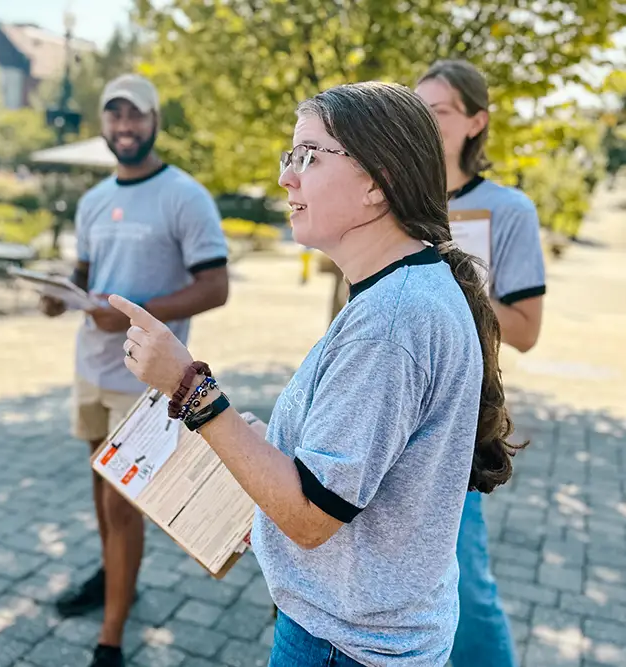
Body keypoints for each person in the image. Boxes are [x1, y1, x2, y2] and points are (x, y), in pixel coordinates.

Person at [107, 81, 523, 666]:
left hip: (342, 647)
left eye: (308, 156)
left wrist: (189, 387)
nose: (286, 178)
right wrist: (262, 444)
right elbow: (350, 470)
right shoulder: (405, 293)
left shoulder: (391, 322)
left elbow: (310, 516)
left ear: (377, 182)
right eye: (290, 156)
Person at [39, 73, 230, 667]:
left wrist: (136, 314)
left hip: (146, 381)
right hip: (92, 368)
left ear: (154, 122)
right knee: (102, 491)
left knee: (124, 505)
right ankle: (112, 579)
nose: (124, 126)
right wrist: (59, 293)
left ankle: (111, 639)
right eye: (114, 114)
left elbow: (215, 286)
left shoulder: (185, 195)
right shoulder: (94, 199)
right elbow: (85, 274)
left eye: (135, 115)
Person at [416, 59, 546, 667]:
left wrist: (452, 283)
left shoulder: (508, 209)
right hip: (387, 398)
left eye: (439, 111)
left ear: (476, 121)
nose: (426, 121)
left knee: (463, 584)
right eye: (418, 109)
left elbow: (526, 330)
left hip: (459, 415)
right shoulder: (394, 196)